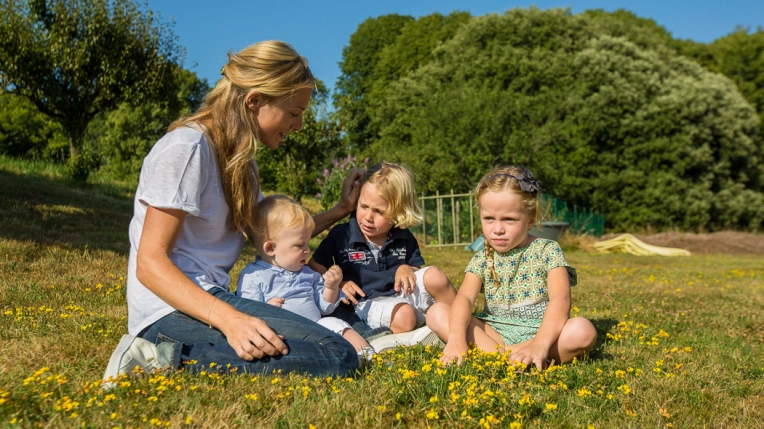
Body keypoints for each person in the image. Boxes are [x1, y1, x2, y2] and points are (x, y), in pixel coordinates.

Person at [102, 41, 362, 384]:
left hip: (212, 298)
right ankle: (157, 357)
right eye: (294, 113)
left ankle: (178, 354)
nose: (298, 126)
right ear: (253, 101)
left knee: (331, 347)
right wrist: (230, 320)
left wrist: (341, 209)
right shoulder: (187, 149)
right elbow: (150, 264)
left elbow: (278, 240)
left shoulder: (242, 166)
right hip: (168, 310)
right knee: (337, 354)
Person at [427, 166, 597, 370]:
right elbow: (463, 299)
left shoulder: (547, 250)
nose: (498, 229)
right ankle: (509, 356)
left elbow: (561, 300)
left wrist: (539, 344)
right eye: (489, 218)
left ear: (531, 219)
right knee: (437, 312)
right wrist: (456, 339)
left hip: (542, 334)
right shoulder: (482, 257)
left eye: (509, 219)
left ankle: (517, 355)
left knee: (582, 331)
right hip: (493, 335)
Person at [308, 162, 457, 352]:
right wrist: (340, 283)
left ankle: (462, 322)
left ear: (399, 212)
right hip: (370, 302)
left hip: (404, 293)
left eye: (379, 211)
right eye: (363, 206)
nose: (368, 217)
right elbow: (314, 265)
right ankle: (387, 339)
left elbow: (417, 267)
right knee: (405, 315)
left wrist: (407, 268)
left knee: (435, 275)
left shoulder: (403, 235)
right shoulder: (342, 234)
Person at [236, 195, 375, 363]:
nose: (307, 250)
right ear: (271, 248)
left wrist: (331, 288)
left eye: (307, 244)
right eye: (299, 245)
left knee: (335, 323)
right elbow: (246, 313)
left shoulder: (308, 273)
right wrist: (266, 310)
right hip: (282, 334)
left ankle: (369, 357)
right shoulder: (253, 276)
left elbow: (325, 308)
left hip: (316, 328)